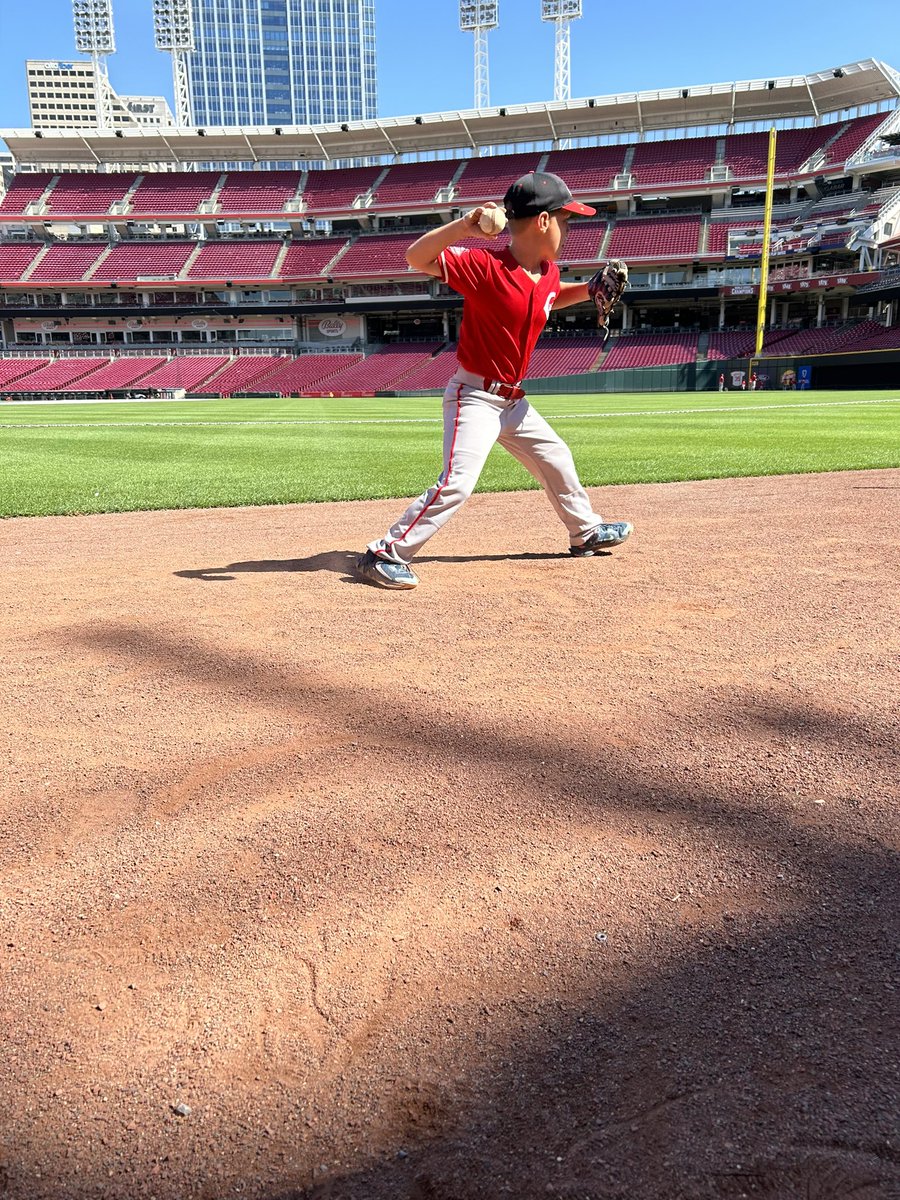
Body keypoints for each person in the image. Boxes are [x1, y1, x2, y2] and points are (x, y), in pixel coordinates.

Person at [355, 171, 633, 590]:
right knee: (457, 483)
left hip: (513, 403)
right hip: (475, 397)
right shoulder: (485, 266)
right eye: (566, 218)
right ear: (542, 221)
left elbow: (549, 297)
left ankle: (584, 531)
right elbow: (416, 257)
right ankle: (385, 552)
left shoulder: (548, 273)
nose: (570, 227)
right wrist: (465, 226)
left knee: (556, 458)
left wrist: (590, 288)